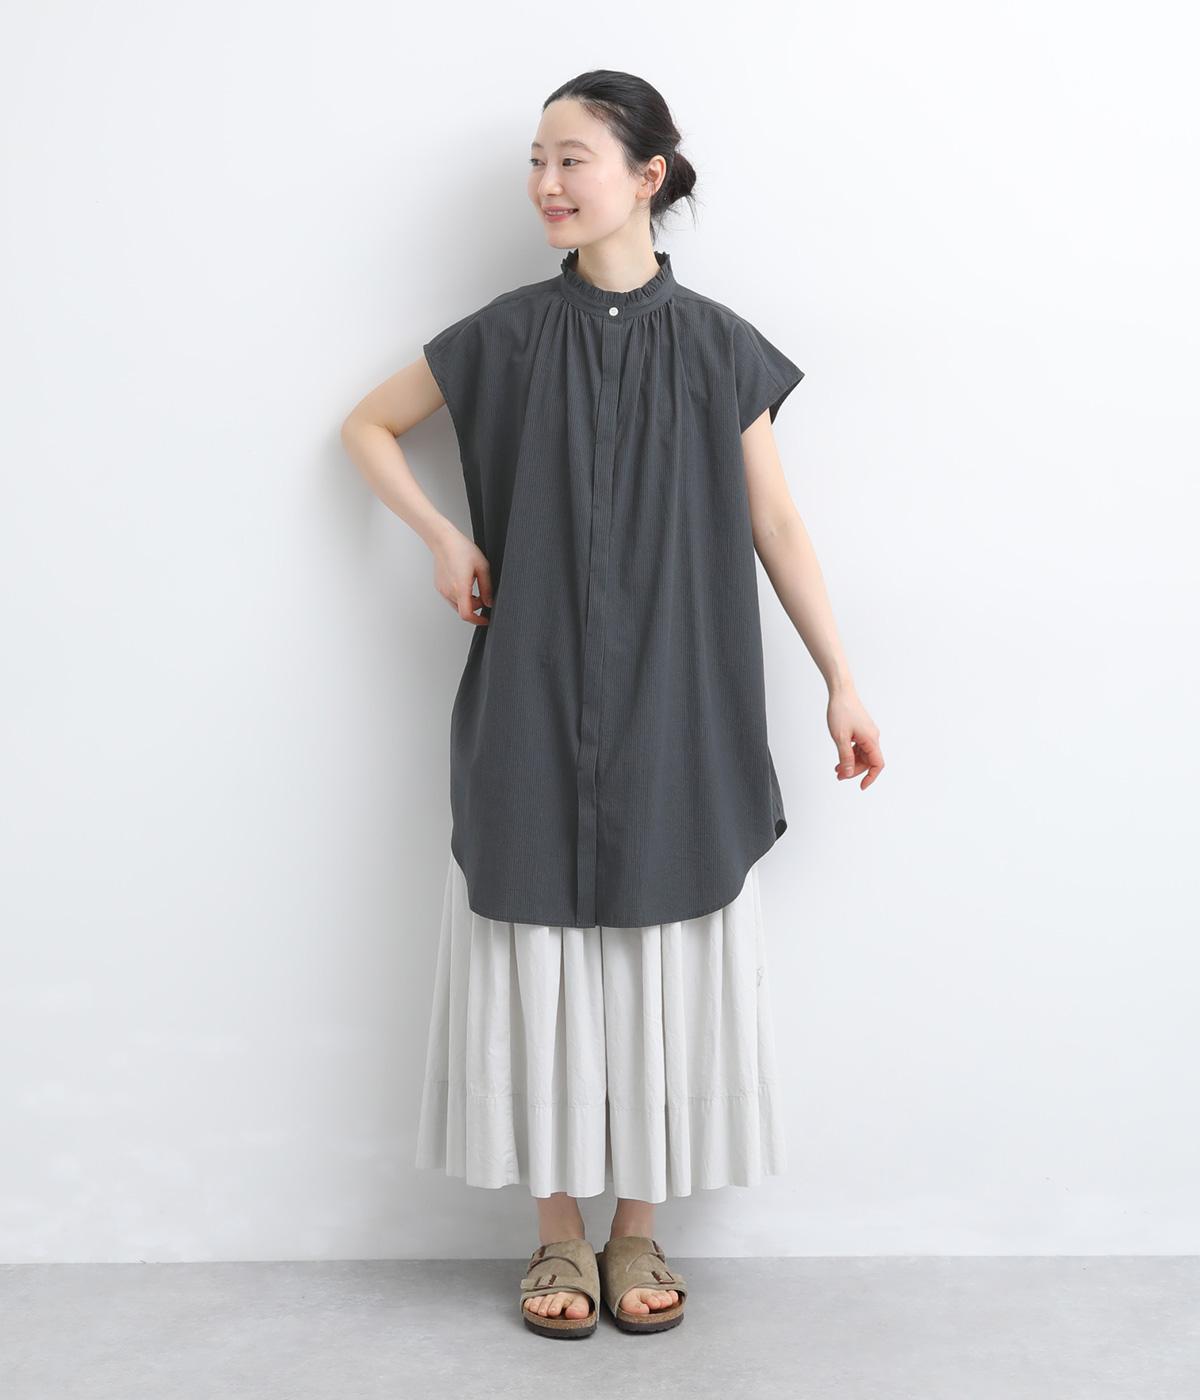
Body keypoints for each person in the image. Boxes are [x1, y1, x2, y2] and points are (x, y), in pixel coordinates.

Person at [341, 70, 884, 1337]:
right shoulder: (505, 334)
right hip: (529, 697)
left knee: (664, 956)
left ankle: (637, 1226)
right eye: (536, 159)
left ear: (647, 175)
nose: (546, 182)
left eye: (571, 157)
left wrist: (842, 679)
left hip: (680, 700)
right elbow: (368, 426)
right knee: (534, 951)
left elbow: (777, 523)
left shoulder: (722, 346)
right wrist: (441, 535)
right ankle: (555, 1233)